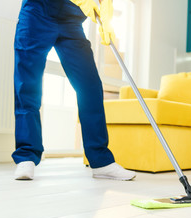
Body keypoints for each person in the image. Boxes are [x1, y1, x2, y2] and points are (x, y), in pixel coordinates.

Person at [13, 0, 136, 181]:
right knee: (27, 85)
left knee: (90, 86)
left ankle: (101, 161)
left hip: (71, 19)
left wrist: (107, 16)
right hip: (37, 12)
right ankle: (26, 157)